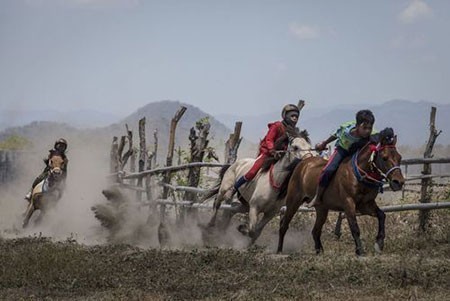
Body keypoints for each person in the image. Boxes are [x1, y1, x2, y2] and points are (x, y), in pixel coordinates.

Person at [306, 110, 376, 207]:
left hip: (357, 151)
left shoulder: (372, 133)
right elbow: (335, 135)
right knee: (329, 169)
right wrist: (324, 143)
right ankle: (318, 197)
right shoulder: (346, 130)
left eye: (370, 128)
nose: (367, 131)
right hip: (342, 150)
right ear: (357, 126)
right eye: (364, 128)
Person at [231, 103, 300, 195]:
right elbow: (269, 139)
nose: (295, 118)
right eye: (292, 116)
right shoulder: (276, 126)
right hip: (268, 153)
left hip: (282, 156)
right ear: (285, 116)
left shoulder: (293, 131)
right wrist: (272, 150)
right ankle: (234, 188)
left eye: (296, 116)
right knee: (252, 172)